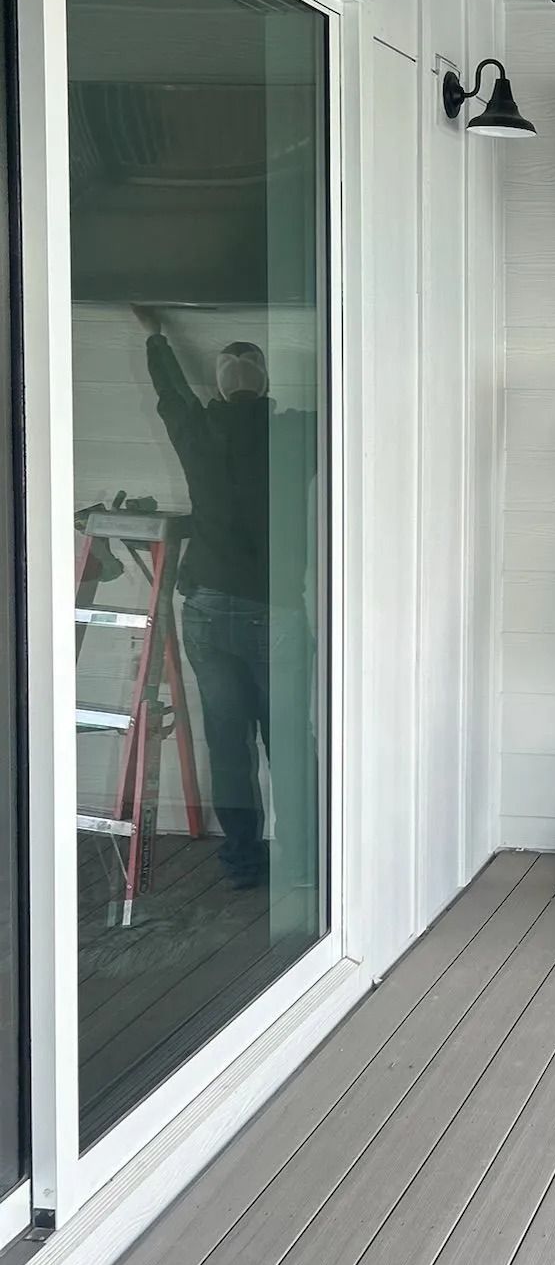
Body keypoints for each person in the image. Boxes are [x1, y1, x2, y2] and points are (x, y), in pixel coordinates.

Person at [133, 309, 317, 890]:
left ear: (219, 386)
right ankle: (305, 866)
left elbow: (171, 394)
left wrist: (155, 336)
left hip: (208, 608)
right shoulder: (295, 431)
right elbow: (356, 401)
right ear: (265, 385)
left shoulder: (197, 430)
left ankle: (242, 863)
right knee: (287, 739)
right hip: (275, 610)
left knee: (228, 744)